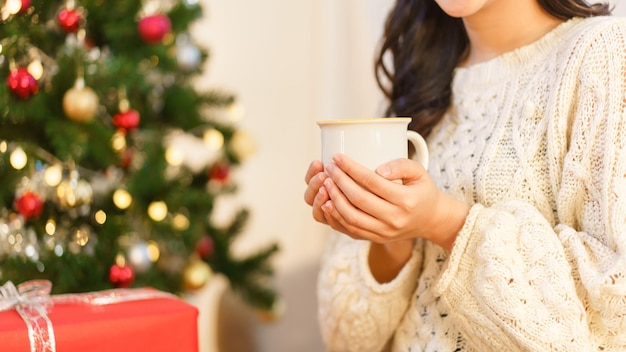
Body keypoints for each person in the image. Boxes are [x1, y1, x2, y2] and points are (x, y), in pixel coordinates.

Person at [304, 0, 626, 350]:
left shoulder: (602, 55)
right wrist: (390, 233)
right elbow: (345, 338)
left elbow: (612, 315)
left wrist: (443, 223)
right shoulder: (418, 80)